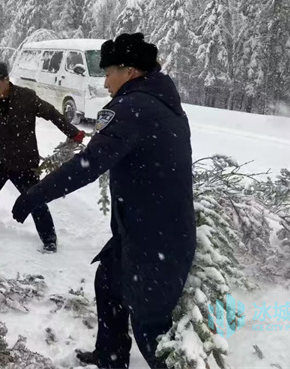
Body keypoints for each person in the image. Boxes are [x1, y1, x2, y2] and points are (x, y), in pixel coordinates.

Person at [11, 33, 196, 368]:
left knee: (150, 327)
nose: (105, 81)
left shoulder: (133, 107)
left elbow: (89, 164)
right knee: (109, 282)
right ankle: (111, 356)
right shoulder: (160, 100)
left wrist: (34, 196)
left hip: (154, 239)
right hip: (150, 231)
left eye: (108, 72)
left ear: (129, 71)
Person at [0, 61, 86, 253]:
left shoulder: (26, 97)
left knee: (34, 199)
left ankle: (49, 240)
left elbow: (52, 114)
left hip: (25, 162)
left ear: (6, 79)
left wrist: (73, 132)